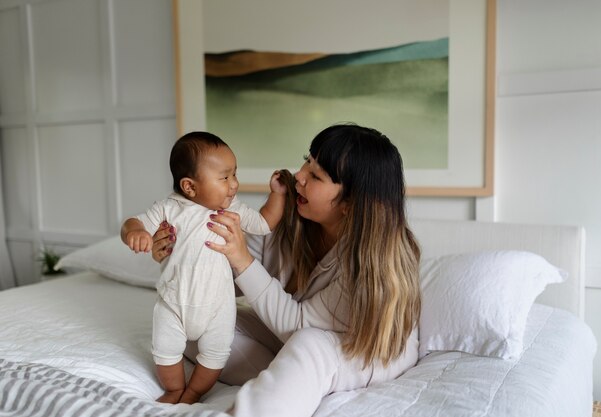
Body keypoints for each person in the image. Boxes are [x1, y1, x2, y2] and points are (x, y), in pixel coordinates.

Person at [151, 123, 421, 417]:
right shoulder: (287, 216)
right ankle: (290, 375)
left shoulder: (372, 261)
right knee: (194, 317)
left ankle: (281, 386)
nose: (300, 176)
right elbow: (223, 278)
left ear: (349, 204)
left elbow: (298, 325)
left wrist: (243, 260)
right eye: (307, 160)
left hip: (359, 353)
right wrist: (180, 253)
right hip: (291, 336)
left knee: (309, 342)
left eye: (315, 176)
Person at [120, 131, 286, 404]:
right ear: (190, 187)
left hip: (217, 306)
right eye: (224, 177)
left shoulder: (233, 209)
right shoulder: (169, 208)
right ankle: (174, 390)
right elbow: (133, 222)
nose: (234, 184)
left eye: (234, 174)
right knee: (165, 350)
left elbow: (264, 223)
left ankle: (195, 392)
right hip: (174, 301)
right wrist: (136, 234)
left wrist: (277, 194)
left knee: (215, 355)